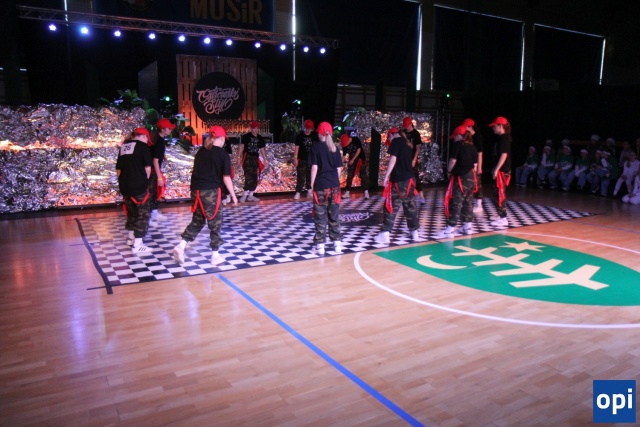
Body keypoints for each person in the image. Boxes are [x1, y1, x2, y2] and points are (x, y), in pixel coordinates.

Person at [173, 126, 238, 266]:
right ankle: (215, 255)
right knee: (215, 222)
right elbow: (226, 177)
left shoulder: (201, 151)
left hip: (196, 191)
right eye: (224, 139)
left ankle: (181, 246)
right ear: (221, 138)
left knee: (198, 220)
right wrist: (233, 196)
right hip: (211, 191)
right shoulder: (222, 154)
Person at [375, 127, 420, 244]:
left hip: (399, 181)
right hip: (410, 180)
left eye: (389, 139)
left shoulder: (396, 141)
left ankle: (385, 233)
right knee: (410, 206)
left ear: (391, 135)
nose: (389, 142)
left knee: (391, 206)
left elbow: (393, 159)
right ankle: (414, 232)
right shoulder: (406, 143)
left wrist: (386, 176)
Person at [116, 127, 153, 254]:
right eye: (147, 138)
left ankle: (130, 239)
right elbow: (147, 169)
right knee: (143, 214)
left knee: (131, 213)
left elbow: (119, 169)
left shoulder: (123, 147)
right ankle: (137, 245)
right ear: (144, 136)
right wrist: (145, 183)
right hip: (139, 187)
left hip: (125, 186)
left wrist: (122, 183)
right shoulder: (143, 147)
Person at [310, 121, 343, 255]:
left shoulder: (316, 147)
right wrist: (335, 181)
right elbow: (339, 169)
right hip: (334, 186)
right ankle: (337, 245)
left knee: (320, 217)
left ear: (320, 133)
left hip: (321, 185)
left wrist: (311, 185)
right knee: (334, 216)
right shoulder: (335, 148)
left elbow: (314, 167)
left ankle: (320, 247)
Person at [442, 125, 478, 235]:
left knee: (456, 201)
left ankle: (450, 227)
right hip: (471, 176)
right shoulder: (472, 147)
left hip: (461, 176)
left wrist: (449, 171)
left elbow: (453, 161)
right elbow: (475, 164)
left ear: (458, 135)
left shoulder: (458, 145)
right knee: (468, 201)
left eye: (454, 136)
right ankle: (467, 227)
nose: (454, 139)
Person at [149, 118, 175, 226]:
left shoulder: (156, 139)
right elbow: (155, 160)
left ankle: (153, 213)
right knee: (153, 192)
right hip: (153, 171)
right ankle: (150, 216)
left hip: (151, 170)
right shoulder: (159, 141)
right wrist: (159, 177)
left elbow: (154, 155)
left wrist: (162, 156)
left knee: (154, 192)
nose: (171, 130)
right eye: (169, 128)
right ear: (163, 129)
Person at [488, 116, 512, 228]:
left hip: (502, 171)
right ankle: (500, 214)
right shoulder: (501, 138)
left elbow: (504, 155)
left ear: (500, 126)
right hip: (500, 170)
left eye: (494, 126)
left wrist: (497, 169)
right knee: (495, 193)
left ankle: (503, 219)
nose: (493, 128)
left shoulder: (504, 138)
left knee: (500, 194)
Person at [238, 120, 268, 202]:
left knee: (255, 177)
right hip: (248, 157)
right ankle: (244, 195)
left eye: (256, 128)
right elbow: (241, 146)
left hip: (255, 158)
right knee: (248, 176)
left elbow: (262, 149)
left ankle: (250, 195)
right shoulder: (246, 136)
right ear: (251, 128)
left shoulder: (260, 138)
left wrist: (265, 159)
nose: (255, 130)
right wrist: (238, 157)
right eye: (254, 128)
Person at [462, 118, 484, 212]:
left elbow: (480, 153)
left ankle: (479, 204)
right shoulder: (468, 136)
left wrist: (479, 167)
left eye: (466, 127)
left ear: (470, 127)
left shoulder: (477, 137)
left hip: (476, 163)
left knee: (477, 183)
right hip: (469, 163)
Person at [293, 119, 319, 199]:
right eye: (307, 128)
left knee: (310, 176)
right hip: (302, 159)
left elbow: (317, 146)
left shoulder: (314, 136)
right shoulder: (300, 136)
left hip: (311, 159)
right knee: (301, 176)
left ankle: (309, 191)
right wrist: (295, 158)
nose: (308, 130)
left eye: (310, 129)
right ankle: (298, 192)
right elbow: (297, 147)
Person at [340, 133, 370, 199]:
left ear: (349, 139)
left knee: (363, 175)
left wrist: (353, 159)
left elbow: (359, 150)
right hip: (352, 159)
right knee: (350, 175)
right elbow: (344, 155)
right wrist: (341, 163)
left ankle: (366, 192)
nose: (346, 145)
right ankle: (347, 192)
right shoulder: (345, 145)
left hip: (360, 159)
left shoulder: (355, 139)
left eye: (347, 143)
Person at [403, 117, 425, 201]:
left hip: (412, 157)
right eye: (405, 126)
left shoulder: (416, 134)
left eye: (407, 126)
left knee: (415, 175)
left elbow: (417, 148)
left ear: (410, 124)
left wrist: (414, 159)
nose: (406, 128)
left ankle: (421, 194)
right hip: (404, 158)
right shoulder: (403, 133)